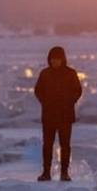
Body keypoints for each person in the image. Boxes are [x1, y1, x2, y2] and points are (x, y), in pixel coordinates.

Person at [35, 46, 83, 182]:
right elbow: (38, 90)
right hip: (49, 115)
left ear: (63, 60)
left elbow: (77, 90)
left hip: (65, 115)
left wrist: (69, 101)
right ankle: (46, 173)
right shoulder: (45, 74)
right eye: (52, 59)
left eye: (57, 59)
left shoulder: (70, 73)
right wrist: (44, 101)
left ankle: (64, 173)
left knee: (65, 145)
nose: (55, 62)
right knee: (47, 145)